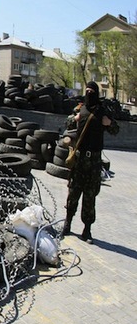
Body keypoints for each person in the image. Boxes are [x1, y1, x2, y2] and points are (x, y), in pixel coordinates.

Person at [63, 81, 119, 243]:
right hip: (79, 159)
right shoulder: (80, 108)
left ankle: (87, 230)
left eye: (91, 91)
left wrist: (109, 123)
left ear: (96, 93)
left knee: (90, 195)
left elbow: (115, 130)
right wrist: (76, 117)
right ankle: (68, 223)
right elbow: (67, 123)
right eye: (87, 90)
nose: (89, 93)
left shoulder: (102, 111)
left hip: (94, 161)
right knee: (73, 191)